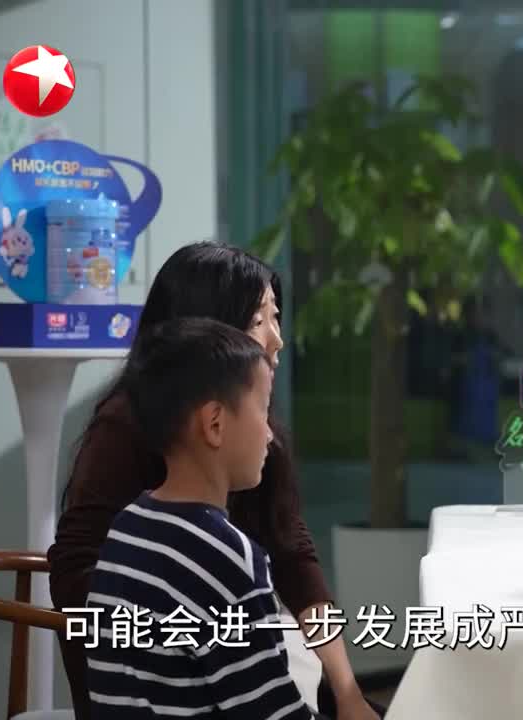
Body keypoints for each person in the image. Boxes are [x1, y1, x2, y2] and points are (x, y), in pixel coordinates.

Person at [49, 241, 381, 720]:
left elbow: (294, 555)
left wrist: (348, 692)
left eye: (276, 317)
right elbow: (80, 575)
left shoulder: (245, 443)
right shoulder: (126, 432)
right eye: (259, 320)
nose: (276, 339)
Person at [83, 317, 317, 717]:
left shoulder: (125, 529)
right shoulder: (230, 560)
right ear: (215, 424)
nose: (270, 435)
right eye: (263, 410)